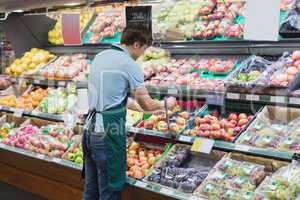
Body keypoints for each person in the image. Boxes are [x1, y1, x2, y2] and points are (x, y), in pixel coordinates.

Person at [83, 24, 176, 200]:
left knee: (91, 188)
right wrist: (166, 104)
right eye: (144, 48)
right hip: (106, 135)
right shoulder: (129, 64)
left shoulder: (101, 56)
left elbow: (112, 95)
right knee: (109, 190)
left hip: (89, 130)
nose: (142, 54)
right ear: (136, 44)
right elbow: (148, 104)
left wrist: (139, 108)